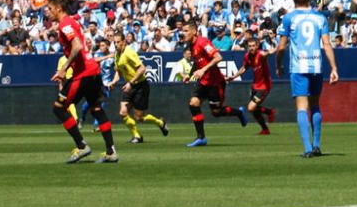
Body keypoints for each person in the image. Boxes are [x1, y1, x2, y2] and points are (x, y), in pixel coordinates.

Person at [48, 0, 118, 163]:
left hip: (84, 73)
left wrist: (64, 68)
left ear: (58, 8)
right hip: (93, 70)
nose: (48, 12)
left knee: (58, 107)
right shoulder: (72, 22)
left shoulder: (65, 24)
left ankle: (81, 146)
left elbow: (77, 46)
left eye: (50, 9)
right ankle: (111, 151)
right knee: (96, 109)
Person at [276, 0, 339, 158]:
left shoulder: (289, 18)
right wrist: (334, 68)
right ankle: (317, 144)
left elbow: (281, 46)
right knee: (315, 105)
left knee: (302, 107)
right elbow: (327, 44)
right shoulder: (320, 18)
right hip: (316, 66)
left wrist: (278, 64)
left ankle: (307, 148)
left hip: (299, 66)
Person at [182, 19, 246, 147]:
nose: (183, 33)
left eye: (185, 31)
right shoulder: (191, 45)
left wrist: (203, 70)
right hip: (204, 82)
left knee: (216, 112)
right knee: (193, 104)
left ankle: (239, 112)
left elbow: (218, 57)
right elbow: (197, 61)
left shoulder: (203, 42)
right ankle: (201, 138)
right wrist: (189, 76)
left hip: (215, 83)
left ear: (194, 31)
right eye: (182, 31)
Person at [112, 32, 169, 144]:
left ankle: (160, 123)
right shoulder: (117, 54)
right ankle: (137, 136)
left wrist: (131, 83)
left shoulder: (129, 53)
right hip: (129, 86)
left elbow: (142, 68)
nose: (115, 44)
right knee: (123, 112)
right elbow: (118, 71)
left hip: (140, 86)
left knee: (139, 117)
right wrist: (113, 81)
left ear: (123, 42)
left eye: (118, 42)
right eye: (114, 42)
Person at [228, 37, 277, 136]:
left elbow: (266, 53)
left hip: (264, 86)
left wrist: (273, 49)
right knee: (254, 109)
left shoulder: (261, 55)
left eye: (253, 46)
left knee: (251, 107)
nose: (251, 48)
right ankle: (265, 129)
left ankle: (269, 112)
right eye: (249, 46)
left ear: (257, 46)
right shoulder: (247, 56)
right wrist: (234, 76)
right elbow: (244, 67)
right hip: (255, 85)